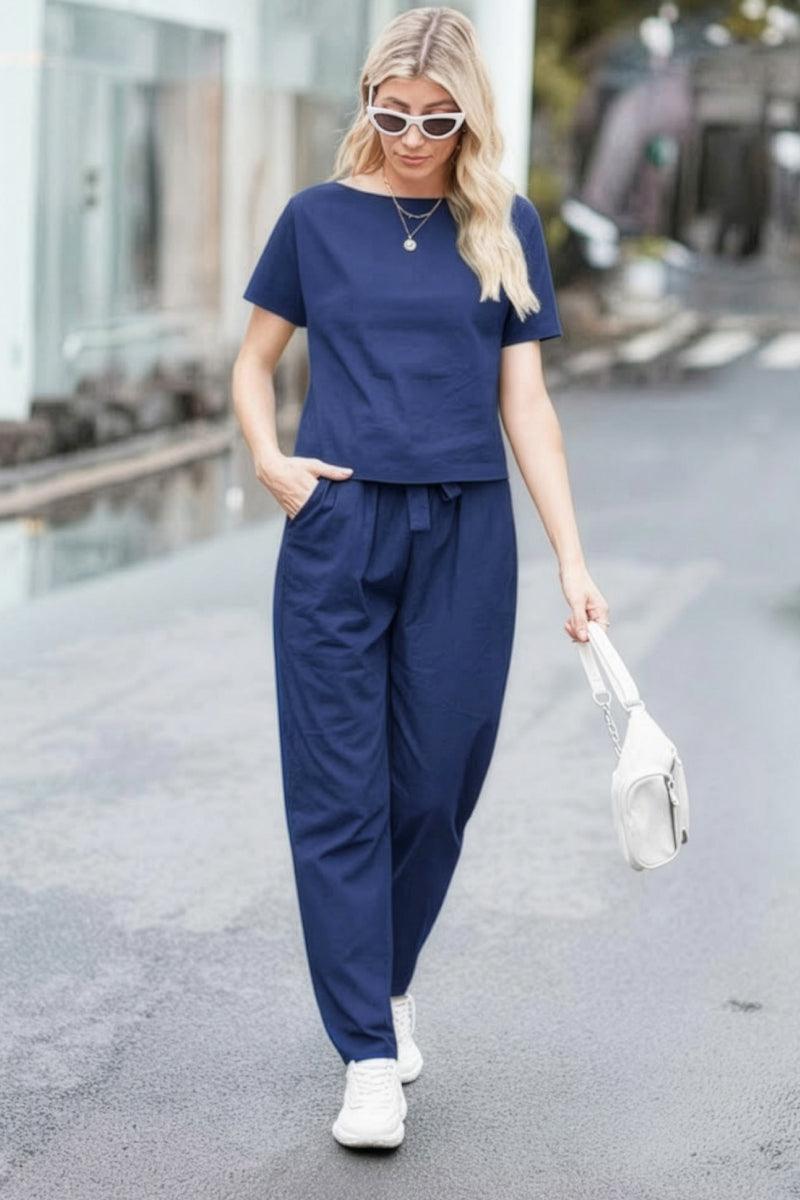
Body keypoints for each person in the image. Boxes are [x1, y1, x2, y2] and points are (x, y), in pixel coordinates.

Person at [232, 4, 610, 1151]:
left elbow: (525, 407)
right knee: (336, 792)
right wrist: (271, 462)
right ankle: (365, 1054)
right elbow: (253, 360)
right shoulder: (315, 219)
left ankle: (385, 977)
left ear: (468, 120)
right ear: (367, 104)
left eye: (435, 120)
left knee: (436, 782)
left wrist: (571, 560)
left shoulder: (503, 224)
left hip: (464, 530)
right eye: (389, 114)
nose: (409, 137)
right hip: (338, 526)